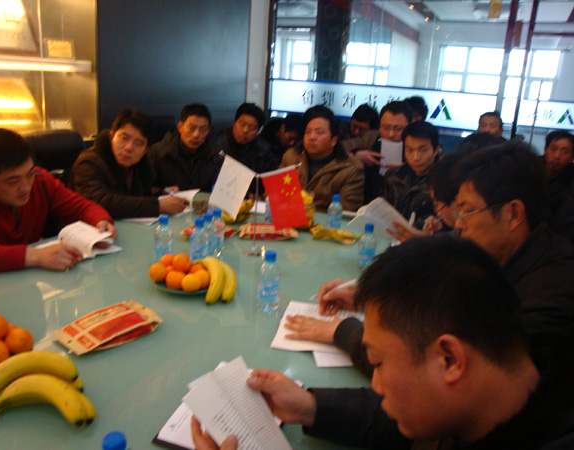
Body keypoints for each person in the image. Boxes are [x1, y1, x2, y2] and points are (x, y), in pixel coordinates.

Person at [192, 236, 574, 449]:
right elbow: (413, 420)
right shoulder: (505, 390)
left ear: (450, 359)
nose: (375, 385)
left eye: (377, 363)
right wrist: (309, 406)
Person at [288, 141, 574, 377]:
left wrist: (343, 332)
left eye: (466, 212)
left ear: (513, 214)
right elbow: (429, 265)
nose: (458, 224)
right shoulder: (500, 253)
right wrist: (369, 293)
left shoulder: (550, 297)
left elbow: (433, 376)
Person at [0, 128, 116, 274]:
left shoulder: (40, 180)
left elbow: (82, 207)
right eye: (12, 181)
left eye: (29, 174)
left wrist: (101, 221)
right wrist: (35, 256)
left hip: (30, 276)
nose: (26, 187)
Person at [70, 107, 188, 219]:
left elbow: (133, 194)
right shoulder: (88, 162)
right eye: (124, 138)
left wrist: (161, 192)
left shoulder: (141, 165)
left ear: (145, 150)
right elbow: (99, 202)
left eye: (138, 143)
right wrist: (158, 206)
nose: (129, 148)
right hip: (85, 228)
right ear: (111, 137)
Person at [279, 105, 364, 212]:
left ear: (333, 141)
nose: (312, 137)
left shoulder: (351, 169)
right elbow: (277, 196)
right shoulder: (291, 157)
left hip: (326, 221)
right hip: (289, 218)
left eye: (319, 132)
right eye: (308, 132)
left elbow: (345, 213)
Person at [343, 100, 413, 202]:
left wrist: (410, 168)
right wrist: (357, 155)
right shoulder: (370, 138)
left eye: (398, 129)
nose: (391, 134)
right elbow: (340, 147)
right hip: (369, 199)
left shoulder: (416, 145)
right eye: (386, 128)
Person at [149, 104, 223, 192]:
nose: (196, 135)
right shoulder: (158, 153)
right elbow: (146, 188)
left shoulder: (215, 155)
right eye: (191, 128)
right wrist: (163, 191)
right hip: (168, 200)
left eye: (202, 129)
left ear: (208, 130)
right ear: (180, 127)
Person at [382, 121, 439, 230]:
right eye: (409, 150)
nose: (416, 157)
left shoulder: (444, 180)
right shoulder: (393, 176)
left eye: (423, 150)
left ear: (436, 150)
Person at [542, 130, 574, 242]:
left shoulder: (570, 181)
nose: (557, 156)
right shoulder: (530, 169)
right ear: (545, 149)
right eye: (553, 149)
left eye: (565, 152)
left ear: (572, 158)